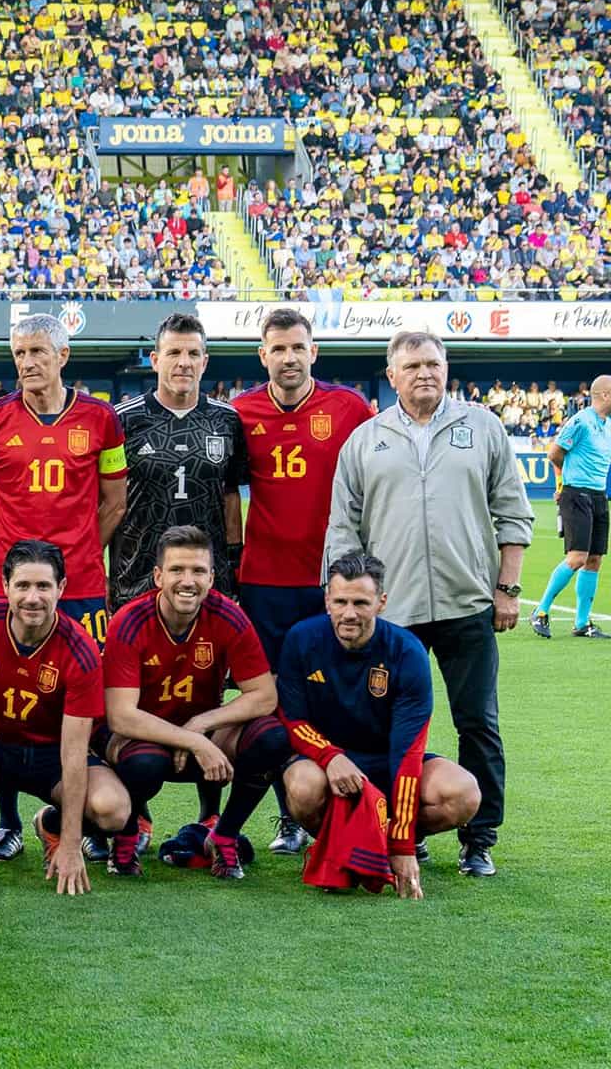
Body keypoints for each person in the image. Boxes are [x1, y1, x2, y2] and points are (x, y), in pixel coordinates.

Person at [325, 331, 533, 877]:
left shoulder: (482, 428)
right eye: (413, 365)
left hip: (468, 606)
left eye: (433, 364)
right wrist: (349, 603)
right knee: (391, 728)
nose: (425, 373)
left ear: (447, 368)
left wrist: (508, 589)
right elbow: (343, 530)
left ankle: (480, 838)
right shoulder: (365, 440)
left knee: (478, 723)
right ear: (391, 375)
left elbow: (513, 512)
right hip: (393, 615)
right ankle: (405, 828)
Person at [0, 312, 126, 861]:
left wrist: (80, 554)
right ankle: (7, 822)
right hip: (4, 588)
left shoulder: (102, 419)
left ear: (63, 356)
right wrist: (10, 566)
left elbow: (115, 503)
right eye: (20, 354)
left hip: (80, 587)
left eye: (37, 352)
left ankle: (79, 815)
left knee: (89, 701)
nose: (28, 363)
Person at [231, 307, 374, 855]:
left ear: (313, 351)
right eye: (278, 348)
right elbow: (228, 492)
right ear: (262, 355)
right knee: (272, 701)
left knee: (337, 695)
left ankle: (356, 805)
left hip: (331, 581)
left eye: (297, 347)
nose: (288, 358)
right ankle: (289, 814)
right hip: (264, 581)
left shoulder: (349, 408)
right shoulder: (240, 413)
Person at [277, 552, 482, 900]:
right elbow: (292, 719)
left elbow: (407, 752)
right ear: (327, 600)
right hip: (327, 766)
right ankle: (342, 849)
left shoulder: (407, 651)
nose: (349, 613)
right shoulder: (301, 639)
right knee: (302, 787)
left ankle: (382, 846)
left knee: (463, 794)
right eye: (340, 602)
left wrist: (403, 845)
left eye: (361, 603)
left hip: (388, 760)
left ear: (381, 602)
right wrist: (330, 757)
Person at [0, 540, 130, 895]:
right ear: (5, 585)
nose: (32, 598)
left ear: (61, 588)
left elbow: (73, 753)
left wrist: (71, 843)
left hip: (53, 755)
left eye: (43, 586)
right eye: (22, 585)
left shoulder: (80, 650)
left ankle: (50, 826)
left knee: (113, 810)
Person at [101, 526, 287, 879]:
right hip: (145, 738)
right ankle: (127, 832)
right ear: (158, 576)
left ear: (212, 578)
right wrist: (193, 739)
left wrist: (202, 724)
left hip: (206, 736)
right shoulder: (130, 621)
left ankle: (225, 835)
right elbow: (121, 716)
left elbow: (265, 695)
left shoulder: (229, 616)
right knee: (144, 764)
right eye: (177, 570)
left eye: (198, 571)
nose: (188, 581)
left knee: (271, 738)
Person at [109, 313, 244, 613]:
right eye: (173, 353)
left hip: (207, 580)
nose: (184, 362)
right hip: (137, 578)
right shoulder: (122, 420)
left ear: (204, 362)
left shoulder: (227, 420)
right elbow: (106, 502)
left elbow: (231, 495)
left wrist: (234, 563)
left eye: (193, 354)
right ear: (155, 360)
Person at [533, 374, 611, 639]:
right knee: (577, 557)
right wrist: (562, 484)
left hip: (599, 495)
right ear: (605, 395)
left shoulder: (607, 425)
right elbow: (555, 453)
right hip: (576, 493)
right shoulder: (581, 421)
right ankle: (540, 611)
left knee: (594, 559)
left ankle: (581, 623)